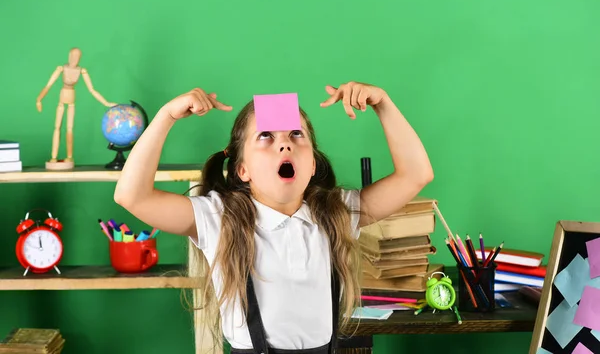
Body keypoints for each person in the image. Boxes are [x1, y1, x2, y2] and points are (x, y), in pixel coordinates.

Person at [114, 82, 433, 354]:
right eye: (265, 136)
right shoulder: (218, 218)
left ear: (311, 166)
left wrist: (383, 104)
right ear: (242, 170)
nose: (284, 143)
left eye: (296, 134)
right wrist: (166, 116)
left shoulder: (337, 212)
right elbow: (132, 196)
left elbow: (416, 174)